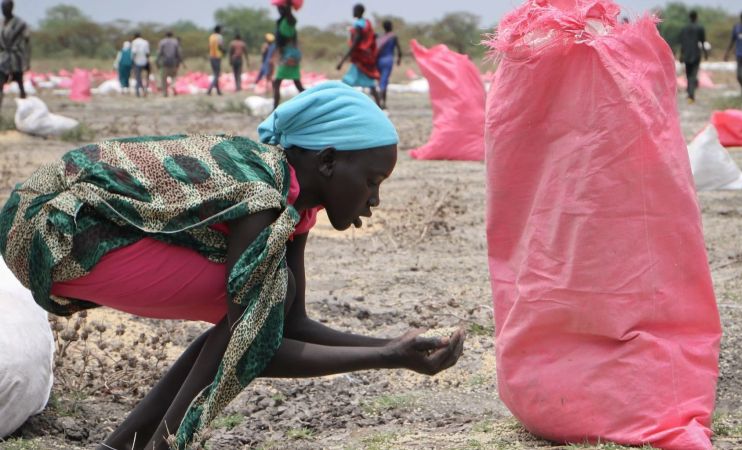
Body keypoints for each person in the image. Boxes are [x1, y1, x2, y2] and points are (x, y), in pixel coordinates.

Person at [0, 81, 466, 450]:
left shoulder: (295, 205)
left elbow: (292, 323)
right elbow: (254, 344)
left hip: (79, 230)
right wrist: (385, 358)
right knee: (255, 307)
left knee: (261, 304)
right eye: (371, 181)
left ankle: (124, 446)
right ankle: (162, 444)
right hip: (53, 230)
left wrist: (391, 344)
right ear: (327, 161)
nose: (375, 199)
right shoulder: (262, 195)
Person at [337, 4, 381, 107]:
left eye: (354, 10)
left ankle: (343, 105)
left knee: (347, 82)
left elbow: (356, 42)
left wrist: (343, 60)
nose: (353, 12)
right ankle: (379, 106)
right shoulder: (366, 23)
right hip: (365, 57)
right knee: (369, 83)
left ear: (359, 12)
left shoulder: (358, 25)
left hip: (359, 59)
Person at [273, 3, 305, 108]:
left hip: (289, 55)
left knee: (277, 82)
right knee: (297, 83)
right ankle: (311, 102)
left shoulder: (290, 21)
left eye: (280, 8)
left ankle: (274, 108)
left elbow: (288, 13)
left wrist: (288, 3)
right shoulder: (282, 21)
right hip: (288, 55)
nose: (278, 10)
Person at [0, 0, 29, 111]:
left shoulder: (19, 23)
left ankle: (25, 109)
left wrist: (27, 61)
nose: (3, 10)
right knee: (0, 83)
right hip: (3, 59)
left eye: (6, 8)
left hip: (16, 58)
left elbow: (27, 42)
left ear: (11, 8)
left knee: (19, 83)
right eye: (2, 8)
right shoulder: (1, 23)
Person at [678, 10, 707, 104]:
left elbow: (682, 43)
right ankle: (691, 94)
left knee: (689, 74)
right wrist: (705, 53)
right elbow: (703, 42)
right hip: (696, 54)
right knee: (693, 75)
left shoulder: (684, 28)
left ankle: (690, 92)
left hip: (686, 54)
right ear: (696, 17)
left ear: (689, 17)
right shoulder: (700, 28)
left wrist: (681, 55)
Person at [375, 20, 402, 109]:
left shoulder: (381, 37)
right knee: (384, 81)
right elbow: (399, 50)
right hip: (388, 60)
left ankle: (381, 102)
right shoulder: (393, 37)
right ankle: (381, 101)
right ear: (391, 26)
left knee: (381, 81)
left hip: (378, 61)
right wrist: (399, 59)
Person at [157, 31, 182, 97]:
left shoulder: (162, 42)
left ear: (165, 35)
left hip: (165, 62)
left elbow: (159, 53)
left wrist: (157, 61)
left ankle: (165, 93)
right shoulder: (175, 42)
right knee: (174, 76)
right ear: (172, 35)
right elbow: (178, 53)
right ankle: (173, 85)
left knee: (163, 78)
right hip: (173, 62)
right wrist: (179, 62)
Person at [131, 32, 151, 97]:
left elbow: (134, 52)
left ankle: (138, 92)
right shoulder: (145, 42)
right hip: (145, 62)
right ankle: (145, 90)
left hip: (137, 62)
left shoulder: (134, 42)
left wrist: (132, 61)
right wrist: (148, 61)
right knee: (146, 77)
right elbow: (147, 53)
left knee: (138, 77)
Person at [207, 25, 224, 96]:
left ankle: (218, 91)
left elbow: (209, 46)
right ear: (219, 30)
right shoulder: (219, 37)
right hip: (217, 56)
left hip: (211, 56)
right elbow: (220, 46)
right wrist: (224, 51)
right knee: (217, 74)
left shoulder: (211, 37)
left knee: (215, 73)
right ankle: (209, 89)